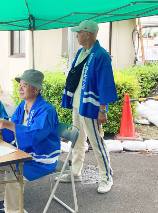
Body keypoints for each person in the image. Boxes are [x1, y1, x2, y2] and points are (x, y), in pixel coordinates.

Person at [0, 69, 61, 213]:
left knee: (14, 177)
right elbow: (13, 131)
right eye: (20, 84)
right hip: (23, 153)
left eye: (25, 85)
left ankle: (12, 210)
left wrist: (6, 124)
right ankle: (0, 201)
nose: (20, 88)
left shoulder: (46, 110)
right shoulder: (22, 106)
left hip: (41, 159)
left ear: (36, 89)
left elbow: (34, 136)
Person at [60, 20, 118, 194]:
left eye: (79, 32)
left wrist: (102, 110)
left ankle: (107, 177)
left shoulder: (101, 55)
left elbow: (105, 84)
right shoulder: (81, 52)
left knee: (96, 142)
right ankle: (75, 172)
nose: (76, 35)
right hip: (78, 105)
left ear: (88, 34)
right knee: (77, 141)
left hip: (91, 107)